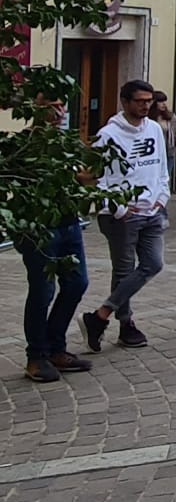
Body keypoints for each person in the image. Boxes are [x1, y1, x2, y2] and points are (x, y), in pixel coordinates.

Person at [79, 80, 170, 353]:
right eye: (140, 101)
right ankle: (126, 324)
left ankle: (100, 315)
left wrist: (161, 197)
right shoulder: (108, 135)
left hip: (152, 210)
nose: (145, 105)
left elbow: (162, 165)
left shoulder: (154, 129)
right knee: (123, 270)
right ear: (125, 102)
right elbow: (95, 176)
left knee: (153, 263)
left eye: (149, 100)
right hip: (121, 213)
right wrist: (117, 206)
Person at [18, 96, 93, 382]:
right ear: (36, 109)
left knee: (77, 283)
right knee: (42, 291)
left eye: (63, 106)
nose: (60, 112)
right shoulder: (26, 144)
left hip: (68, 222)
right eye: (53, 106)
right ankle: (36, 356)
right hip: (39, 226)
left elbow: (84, 177)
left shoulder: (69, 144)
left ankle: (55, 347)